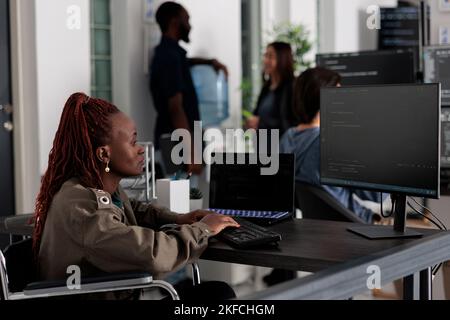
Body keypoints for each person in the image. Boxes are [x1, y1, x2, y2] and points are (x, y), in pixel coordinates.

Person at [33, 93, 239, 300]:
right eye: (133, 142)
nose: (141, 149)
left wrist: (177, 219)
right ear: (104, 154)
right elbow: (153, 256)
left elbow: (131, 209)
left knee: (217, 292)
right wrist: (203, 230)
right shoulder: (82, 206)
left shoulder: (95, 189)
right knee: (219, 296)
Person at [280, 67, 384, 223]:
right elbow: (376, 195)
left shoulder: (287, 138)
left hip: (317, 228)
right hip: (356, 226)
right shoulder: (331, 143)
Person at [150, 1, 228, 175]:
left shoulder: (170, 53)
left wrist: (210, 62)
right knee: (181, 198)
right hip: (176, 145)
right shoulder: (169, 57)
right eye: (187, 19)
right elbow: (175, 107)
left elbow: (187, 62)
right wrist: (191, 153)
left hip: (178, 142)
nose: (190, 25)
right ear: (175, 22)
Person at [245, 42, 296, 137]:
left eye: (271, 56)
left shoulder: (292, 87)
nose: (265, 60)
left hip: (281, 147)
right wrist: (251, 122)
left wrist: (261, 123)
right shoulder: (267, 87)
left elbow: (290, 124)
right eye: (265, 55)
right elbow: (257, 114)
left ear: (282, 59)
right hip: (263, 146)